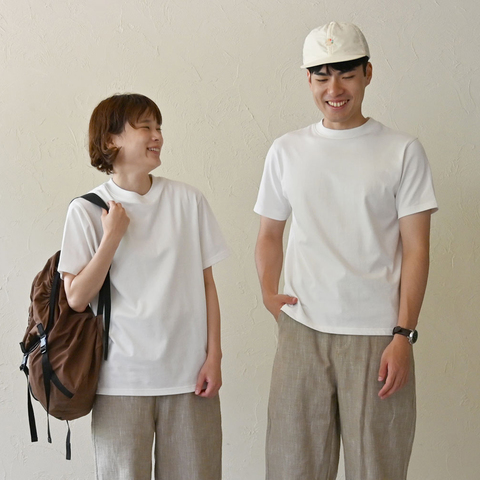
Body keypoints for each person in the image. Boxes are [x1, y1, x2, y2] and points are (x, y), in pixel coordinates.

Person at [254, 22, 438, 480]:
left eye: (347, 75)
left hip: (378, 336)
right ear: (309, 80)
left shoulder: (402, 151)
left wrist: (404, 334)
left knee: (377, 469)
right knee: (292, 467)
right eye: (321, 76)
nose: (334, 89)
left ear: (368, 74)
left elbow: (417, 249)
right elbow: (269, 233)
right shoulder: (286, 150)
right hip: (302, 329)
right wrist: (268, 293)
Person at [58, 93, 229, 480]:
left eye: (159, 127)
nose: (158, 136)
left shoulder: (188, 200)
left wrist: (214, 356)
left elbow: (207, 285)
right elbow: (76, 298)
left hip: (190, 378)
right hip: (120, 381)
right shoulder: (87, 209)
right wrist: (112, 237)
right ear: (111, 140)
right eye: (146, 127)